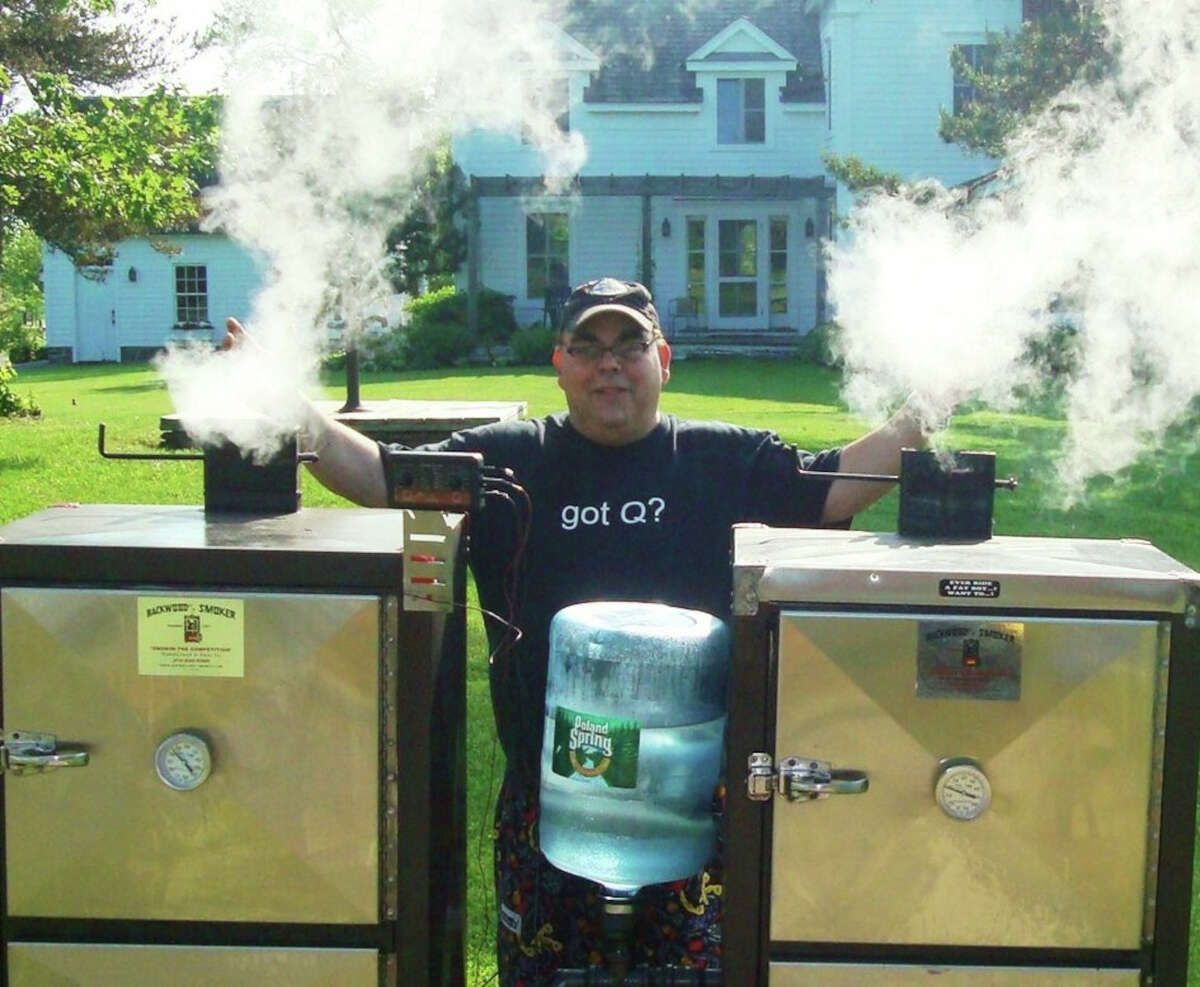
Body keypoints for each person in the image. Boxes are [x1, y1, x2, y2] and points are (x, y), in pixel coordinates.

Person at [225, 276, 934, 985]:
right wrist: (294, 411)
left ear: (664, 360)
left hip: (690, 807)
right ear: (559, 365)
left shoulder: (724, 460)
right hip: (549, 810)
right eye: (587, 347)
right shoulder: (508, 459)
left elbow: (836, 482)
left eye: (630, 346)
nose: (609, 365)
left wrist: (929, 407)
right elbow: (384, 479)